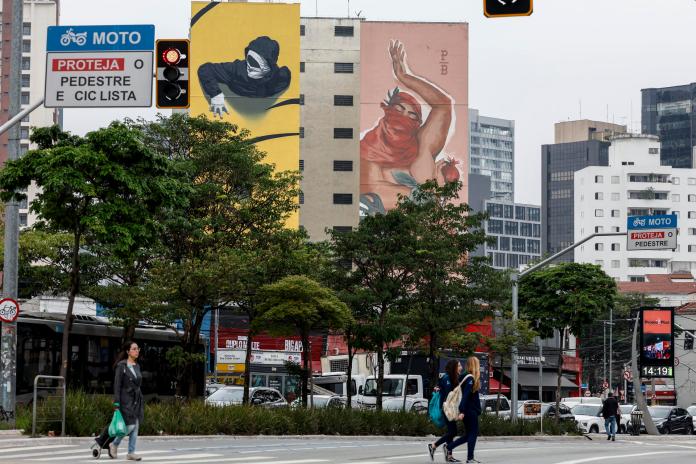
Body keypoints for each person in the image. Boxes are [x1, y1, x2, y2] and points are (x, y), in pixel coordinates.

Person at [360, 40, 454, 214]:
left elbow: (443, 105)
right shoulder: (368, 152)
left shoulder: (421, 149)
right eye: (399, 110)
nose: (403, 118)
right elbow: (374, 192)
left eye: (412, 116)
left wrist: (405, 77)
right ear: (387, 111)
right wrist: (427, 195)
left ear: (417, 125)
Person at [198, 36, 292, 118]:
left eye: (255, 63)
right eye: (249, 60)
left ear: (269, 65)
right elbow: (205, 69)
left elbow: (285, 74)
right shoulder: (236, 70)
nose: (250, 66)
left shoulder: (281, 77)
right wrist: (215, 94)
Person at [110, 341, 144, 461]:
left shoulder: (137, 365)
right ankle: (114, 444)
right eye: (134, 349)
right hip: (125, 400)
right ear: (128, 351)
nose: (137, 351)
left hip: (136, 400)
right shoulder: (121, 366)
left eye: (137, 348)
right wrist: (116, 402)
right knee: (130, 426)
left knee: (136, 426)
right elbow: (117, 385)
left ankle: (131, 452)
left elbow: (138, 384)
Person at [445, 356, 482, 463]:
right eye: (478, 364)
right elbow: (465, 396)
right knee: (473, 434)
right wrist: (462, 411)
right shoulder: (470, 378)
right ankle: (470, 458)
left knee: (468, 435)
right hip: (470, 411)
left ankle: (449, 447)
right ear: (475, 365)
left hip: (467, 410)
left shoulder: (463, 376)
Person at [428, 360, 464, 462]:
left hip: (449, 408)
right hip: (446, 408)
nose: (461, 367)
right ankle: (434, 446)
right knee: (453, 431)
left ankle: (449, 456)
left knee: (451, 431)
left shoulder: (452, 378)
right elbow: (450, 395)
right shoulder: (447, 378)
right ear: (454, 367)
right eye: (459, 366)